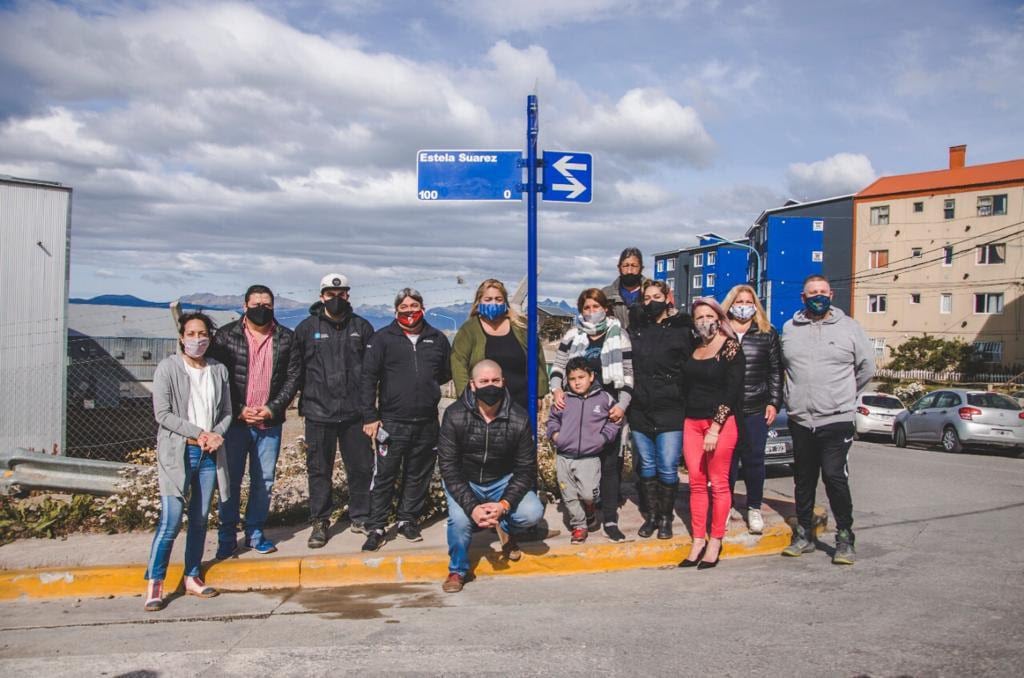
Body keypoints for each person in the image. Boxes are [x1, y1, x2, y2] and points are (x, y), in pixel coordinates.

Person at [780, 275, 875, 565]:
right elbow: (783, 368)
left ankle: (845, 535)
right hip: (800, 418)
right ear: (803, 297)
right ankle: (805, 534)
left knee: (834, 476)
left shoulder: (849, 328)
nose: (817, 296)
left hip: (837, 417)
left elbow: (867, 367)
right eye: (812, 293)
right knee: (804, 480)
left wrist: (843, 396)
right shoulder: (789, 329)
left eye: (822, 292)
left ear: (831, 295)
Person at [144, 312, 232, 611]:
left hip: (209, 454)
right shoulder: (168, 368)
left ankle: (192, 575)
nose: (198, 339)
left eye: (203, 333)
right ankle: (155, 583)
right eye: (192, 334)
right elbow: (163, 414)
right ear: (182, 337)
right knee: (171, 520)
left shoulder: (218, 370)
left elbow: (227, 412)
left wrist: (216, 434)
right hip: (180, 452)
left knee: (200, 518)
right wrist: (200, 434)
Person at [208, 284, 301, 558]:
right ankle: (226, 536)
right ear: (245, 305)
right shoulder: (226, 337)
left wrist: (273, 408)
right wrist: (237, 409)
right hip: (235, 423)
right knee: (230, 480)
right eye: (256, 303)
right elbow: (216, 379)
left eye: (267, 304)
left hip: (268, 424)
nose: (262, 309)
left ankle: (255, 532)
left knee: (264, 480)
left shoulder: (286, 338)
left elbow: (293, 377)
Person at [437, 360, 544, 593]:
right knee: (460, 521)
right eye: (484, 381)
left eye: (495, 380)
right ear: (473, 385)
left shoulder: (519, 417)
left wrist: (504, 504)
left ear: (503, 381)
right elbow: (448, 467)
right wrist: (473, 507)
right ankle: (457, 570)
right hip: (465, 480)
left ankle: (503, 525)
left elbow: (526, 468)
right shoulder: (454, 415)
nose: (490, 386)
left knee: (532, 512)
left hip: (501, 481)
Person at [359, 288, 452, 551]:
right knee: (384, 475)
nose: (410, 311)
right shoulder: (382, 339)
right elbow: (368, 379)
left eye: (415, 305)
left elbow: (443, 373)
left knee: (418, 474)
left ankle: (407, 519)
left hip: (426, 422)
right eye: (405, 306)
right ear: (396, 310)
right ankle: (376, 525)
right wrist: (370, 415)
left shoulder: (437, 338)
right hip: (391, 422)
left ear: (423, 307)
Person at [293, 273, 375, 549]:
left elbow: (372, 371)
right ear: (321, 297)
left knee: (361, 468)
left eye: (341, 295)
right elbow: (296, 369)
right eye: (330, 294)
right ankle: (320, 521)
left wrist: (371, 412)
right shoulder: (306, 328)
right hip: (318, 413)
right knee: (319, 470)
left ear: (348, 296)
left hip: (354, 414)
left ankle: (360, 516)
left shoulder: (361, 327)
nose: (336, 299)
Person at [549, 288, 633, 542]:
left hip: (609, 408)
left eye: (597, 306)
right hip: (576, 408)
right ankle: (585, 514)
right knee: (579, 468)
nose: (592, 311)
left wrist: (622, 405)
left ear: (606, 308)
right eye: (587, 307)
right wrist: (556, 390)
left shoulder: (619, 335)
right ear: (580, 310)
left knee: (609, 466)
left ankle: (609, 519)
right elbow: (559, 365)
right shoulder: (573, 335)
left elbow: (628, 372)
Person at [679, 298, 745, 570]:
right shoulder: (695, 348)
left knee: (718, 484)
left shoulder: (730, 348)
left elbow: (732, 390)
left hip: (720, 424)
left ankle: (715, 540)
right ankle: (697, 539)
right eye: (699, 317)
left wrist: (715, 428)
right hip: (692, 422)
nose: (704, 320)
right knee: (696, 482)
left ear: (719, 317)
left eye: (709, 315)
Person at [626, 280, 694, 539]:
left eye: (657, 295)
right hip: (641, 407)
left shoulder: (682, 329)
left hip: (671, 408)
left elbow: (690, 369)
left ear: (668, 298)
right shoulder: (637, 329)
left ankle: (666, 518)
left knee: (667, 465)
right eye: (647, 297)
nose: (651, 301)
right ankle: (652, 516)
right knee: (647, 466)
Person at [721, 284, 782, 535]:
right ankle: (725, 507)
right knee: (727, 461)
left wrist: (774, 401)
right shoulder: (720, 332)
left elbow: (776, 370)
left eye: (748, 301)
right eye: (739, 301)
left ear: (755, 305)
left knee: (754, 459)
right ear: (730, 304)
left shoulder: (767, 333)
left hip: (756, 406)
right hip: (727, 408)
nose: (743, 306)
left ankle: (754, 507)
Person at [546, 357, 622, 543]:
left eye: (581, 377)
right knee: (569, 495)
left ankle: (590, 508)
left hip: (589, 457)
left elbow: (615, 422)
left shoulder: (604, 398)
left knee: (589, 493)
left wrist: (602, 438)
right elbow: (552, 420)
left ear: (591, 376)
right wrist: (556, 435)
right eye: (572, 379)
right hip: (564, 456)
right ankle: (579, 526)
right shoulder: (564, 399)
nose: (577, 382)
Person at [450, 278, 548, 412]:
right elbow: (458, 363)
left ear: (505, 302)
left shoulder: (521, 327)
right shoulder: (469, 330)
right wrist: (467, 398)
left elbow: (537, 358)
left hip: (521, 402)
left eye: (498, 299)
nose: (493, 303)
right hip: (485, 405)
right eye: (488, 299)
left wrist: (539, 393)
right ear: (479, 302)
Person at [601, 247, 651, 330]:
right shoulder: (606, 294)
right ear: (619, 267)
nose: (629, 271)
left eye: (634, 266)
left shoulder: (652, 293)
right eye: (625, 266)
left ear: (641, 268)